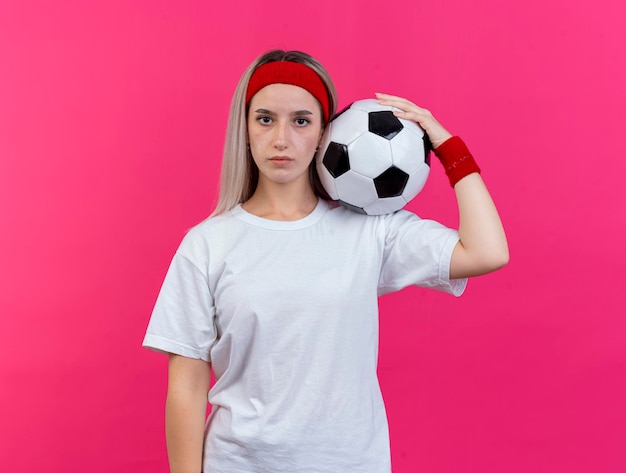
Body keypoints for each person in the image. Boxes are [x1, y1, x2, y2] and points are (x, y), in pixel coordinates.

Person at [143, 49, 509, 473]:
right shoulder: (207, 244)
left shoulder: (369, 230)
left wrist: (446, 144)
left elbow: (487, 251)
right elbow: (185, 388)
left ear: (323, 133)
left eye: (301, 120)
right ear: (244, 129)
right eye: (265, 118)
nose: (282, 139)